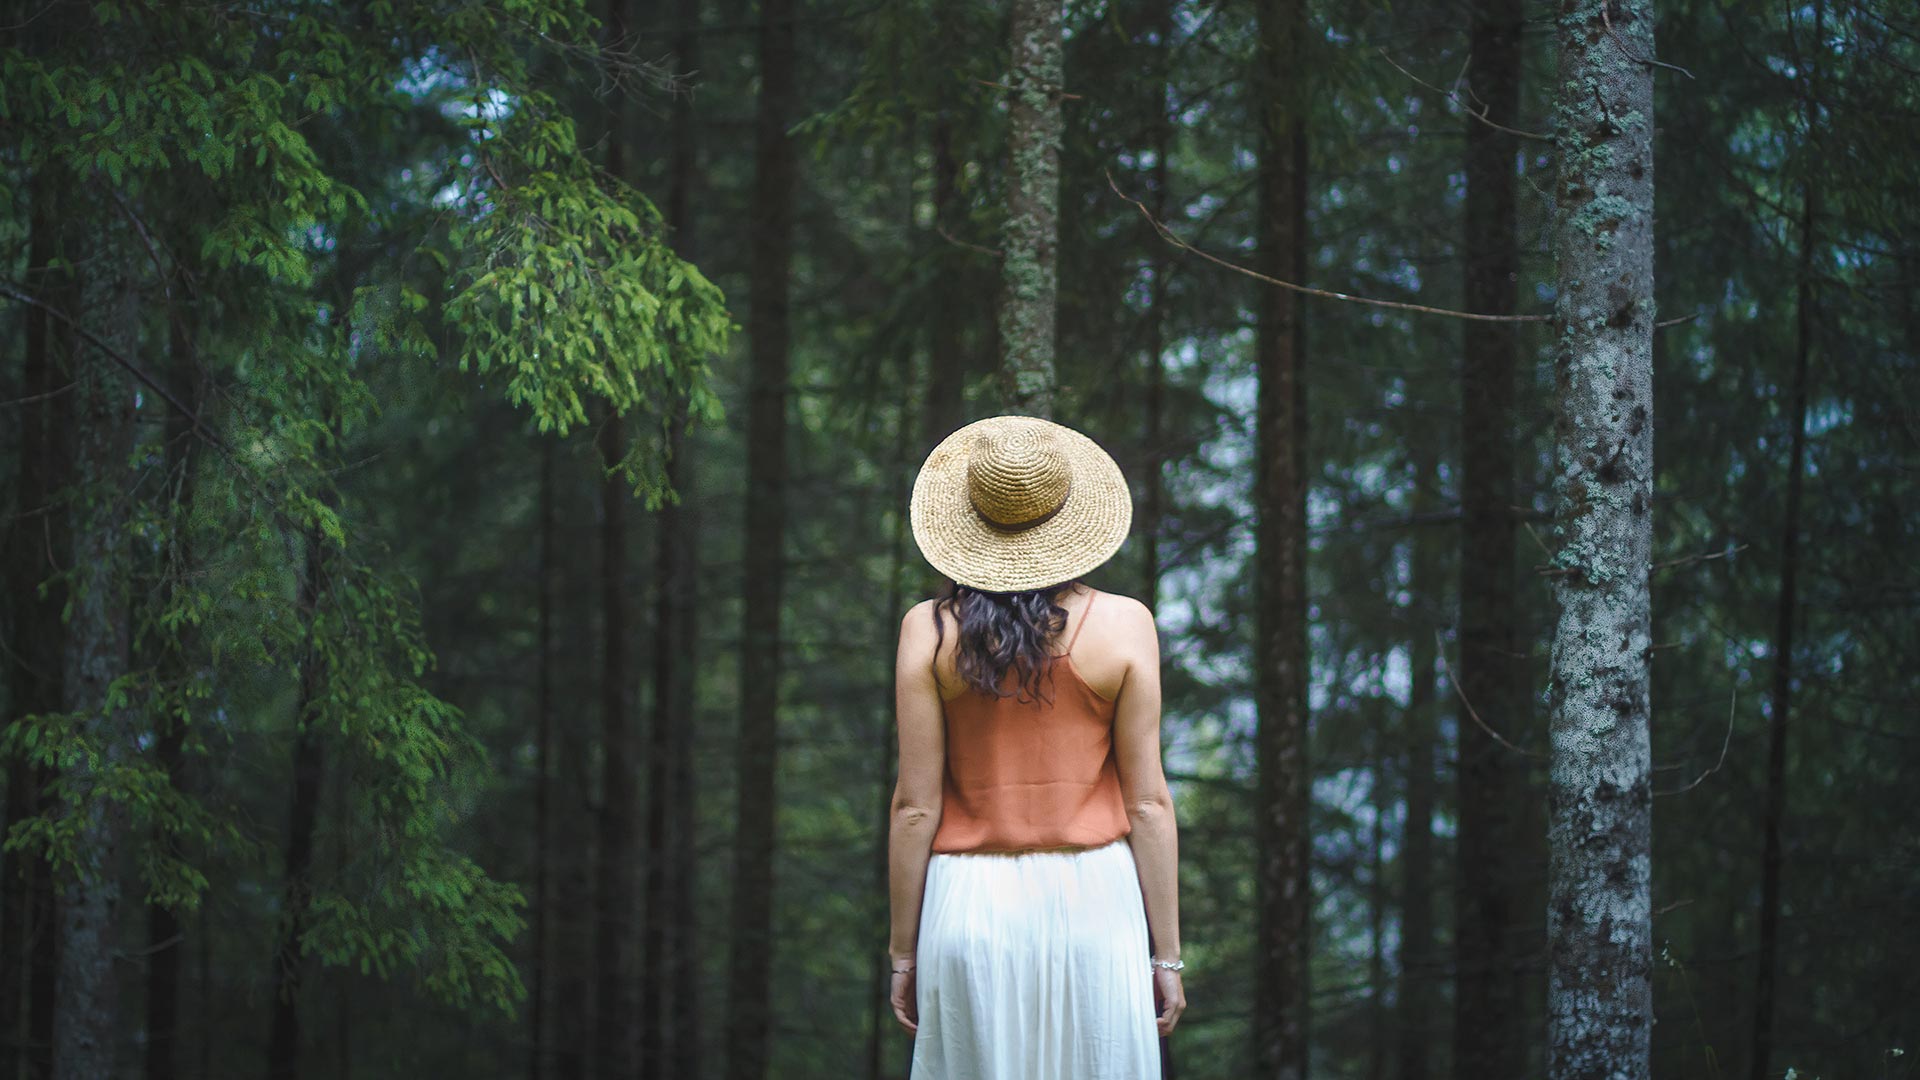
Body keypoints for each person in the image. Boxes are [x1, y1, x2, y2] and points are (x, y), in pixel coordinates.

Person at [886, 414, 1185, 1079]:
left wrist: (903, 952)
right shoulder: (1126, 625)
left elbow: (914, 807)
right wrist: (1166, 955)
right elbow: (1149, 805)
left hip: (968, 905)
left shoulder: (927, 632)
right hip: (1095, 903)